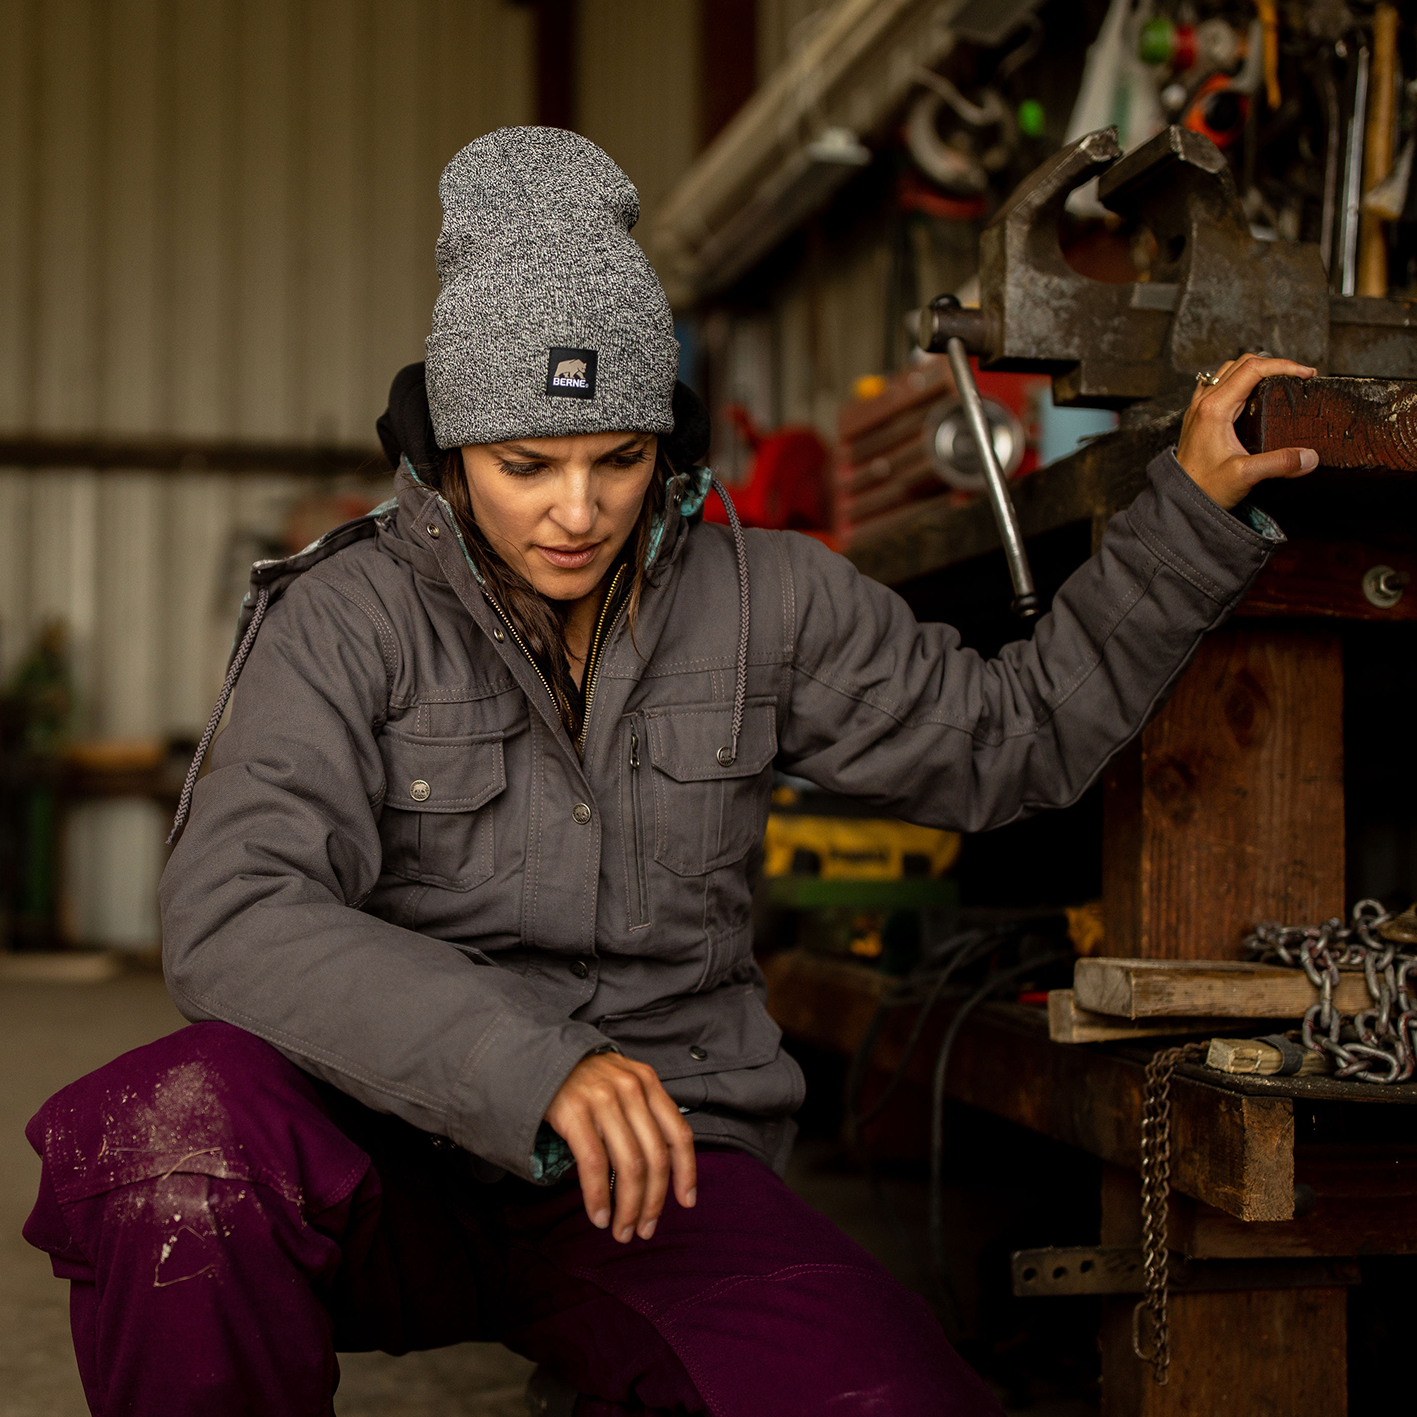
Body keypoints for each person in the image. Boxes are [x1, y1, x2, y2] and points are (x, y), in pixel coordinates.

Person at [24, 127, 1317, 1417]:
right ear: (447, 447)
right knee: (167, 1137)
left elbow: (1010, 747)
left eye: (620, 457)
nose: (576, 511)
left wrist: (1187, 523)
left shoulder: (770, 601)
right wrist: (532, 1064)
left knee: (884, 1399)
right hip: (378, 1139)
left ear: (666, 444)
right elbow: (235, 909)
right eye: (527, 465)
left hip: (656, 1165)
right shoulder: (344, 617)